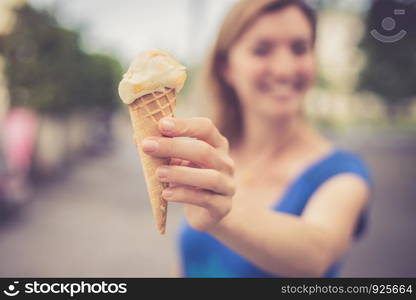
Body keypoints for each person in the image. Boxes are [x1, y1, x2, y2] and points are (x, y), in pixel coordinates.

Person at [141, 0, 372, 277]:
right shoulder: (211, 160)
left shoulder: (342, 173)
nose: (285, 69)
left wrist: (225, 213)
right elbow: (190, 264)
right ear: (226, 67)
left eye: (299, 48)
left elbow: (316, 256)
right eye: (262, 50)